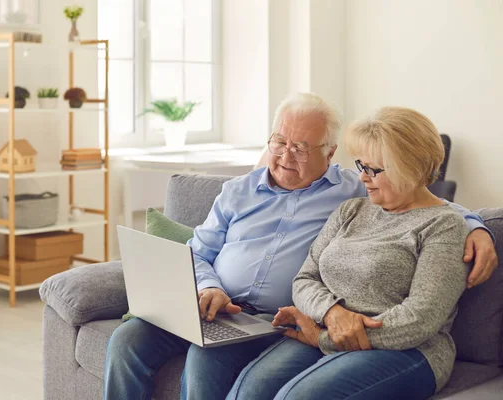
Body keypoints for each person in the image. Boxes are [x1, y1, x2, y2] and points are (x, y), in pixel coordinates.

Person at [104, 93, 497, 400]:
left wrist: (477, 225)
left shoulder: (350, 190)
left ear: (329, 155)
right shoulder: (248, 193)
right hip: (218, 306)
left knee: (218, 367)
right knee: (127, 341)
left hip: (278, 321)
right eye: (279, 141)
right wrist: (209, 287)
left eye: (301, 147)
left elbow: (426, 204)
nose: (285, 155)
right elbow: (210, 254)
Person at [226, 106, 477, 399]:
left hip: (408, 351)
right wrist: (331, 312)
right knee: (251, 390)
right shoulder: (351, 210)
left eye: (373, 169)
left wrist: (324, 337)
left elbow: (420, 319)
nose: (362, 178)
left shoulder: (444, 226)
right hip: (324, 329)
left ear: (410, 168)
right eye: (361, 166)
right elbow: (305, 279)